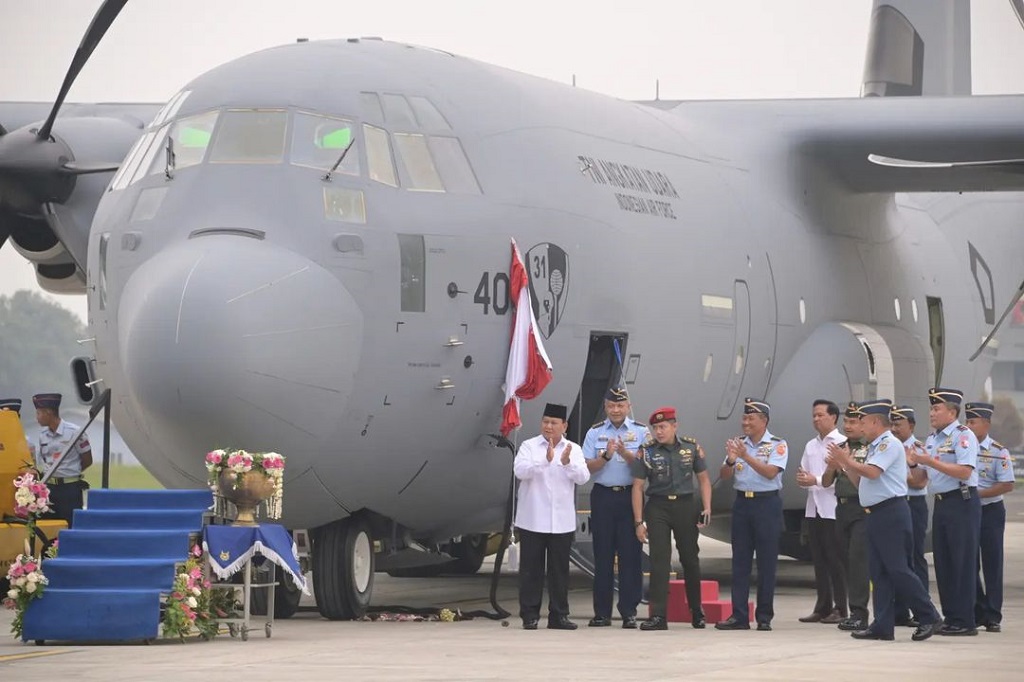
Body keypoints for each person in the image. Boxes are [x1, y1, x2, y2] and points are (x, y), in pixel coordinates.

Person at [826, 399, 939, 642]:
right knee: (879, 573)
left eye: (863, 422)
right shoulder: (875, 446)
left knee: (898, 569)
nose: (861, 426)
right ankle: (883, 624)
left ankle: (929, 615)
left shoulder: (889, 444)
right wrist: (845, 466)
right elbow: (862, 482)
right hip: (875, 514)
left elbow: (873, 472)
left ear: (876, 421)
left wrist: (846, 461)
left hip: (891, 513)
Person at [631, 406, 711, 631]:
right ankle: (658, 616)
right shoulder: (646, 451)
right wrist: (639, 521)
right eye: (655, 427)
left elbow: (703, 479)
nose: (659, 431)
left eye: (663, 427)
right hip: (658, 506)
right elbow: (637, 487)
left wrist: (707, 507)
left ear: (674, 426)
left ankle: (697, 611)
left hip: (686, 505)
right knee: (659, 560)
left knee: (690, 559)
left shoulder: (691, 447)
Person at [910, 387, 981, 636]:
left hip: (962, 502)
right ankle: (951, 617)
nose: (932, 413)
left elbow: (965, 471)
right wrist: (912, 463)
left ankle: (966, 620)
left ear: (952, 411)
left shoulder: (964, 436)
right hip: (941, 503)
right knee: (943, 561)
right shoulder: (932, 439)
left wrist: (930, 461)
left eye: (936, 408)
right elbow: (921, 479)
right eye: (931, 408)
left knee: (962, 561)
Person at [513, 402, 589, 630]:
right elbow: (519, 471)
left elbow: (583, 477)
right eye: (545, 422)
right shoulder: (529, 446)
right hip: (533, 519)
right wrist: (544, 460)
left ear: (564, 426)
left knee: (559, 572)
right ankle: (529, 615)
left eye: (554, 423)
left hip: (561, 522)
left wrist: (566, 464)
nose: (549, 426)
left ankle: (559, 615)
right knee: (531, 570)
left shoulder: (573, 449)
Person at [715, 397, 787, 632]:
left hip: (767, 505)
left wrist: (745, 456)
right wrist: (731, 459)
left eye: (750, 418)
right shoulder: (739, 444)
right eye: (744, 417)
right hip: (742, 504)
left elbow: (770, 473)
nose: (745, 422)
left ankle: (764, 616)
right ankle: (739, 616)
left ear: (764, 420)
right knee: (740, 562)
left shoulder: (777, 445)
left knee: (766, 562)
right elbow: (725, 475)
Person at [582, 387, 647, 629]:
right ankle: (602, 613)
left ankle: (629, 611)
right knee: (603, 555)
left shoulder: (641, 432)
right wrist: (607, 456)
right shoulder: (595, 432)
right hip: (603, 497)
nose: (616, 410)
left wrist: (625, 453)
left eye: (620, 405)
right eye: (611, 406)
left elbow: (645, 466)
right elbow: (588, 466)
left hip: (631, 496)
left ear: (628, 406)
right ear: (606, 407)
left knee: (631, 556)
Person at [795, 399, 847, 624]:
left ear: (833, 417)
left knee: (836, 560)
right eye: (814, 415)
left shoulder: (842, 444)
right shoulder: (810, 445)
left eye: (820, 415)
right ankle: (822, 605)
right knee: (819, 560)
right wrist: (806, 480)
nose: (816, 419)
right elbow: (803, 473)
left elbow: (842, 479)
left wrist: (813, 480)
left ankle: (841, 607)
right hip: (814, 508)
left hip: (833, 509)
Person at [965, 401, 1015, 633]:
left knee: (992, 563)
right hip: (967, 511)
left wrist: (977, 494)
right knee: (970, 562)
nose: (968, 426)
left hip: (990, 511)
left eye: (973, 422)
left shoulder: (998, 451)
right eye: (966, 421)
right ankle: (978, 610)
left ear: (986, 424)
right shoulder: (963, 447)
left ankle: (993, 614)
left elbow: (1006, 484)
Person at [822, 402, 870, 632]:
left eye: (853, 422)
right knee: (845, 562)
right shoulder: (840, 447)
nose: (848, 426)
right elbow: (825, 482)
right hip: (840, 509)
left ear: (864, 424)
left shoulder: (869, 448)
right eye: (846, 421)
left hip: (861, 509)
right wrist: (832, 466)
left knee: (858, 561)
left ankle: (860, 612)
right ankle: (851, 609)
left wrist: (846, 463)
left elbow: (861, 484)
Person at [890, 405, 929, 628]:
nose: (894, 428)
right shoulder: (889, 446)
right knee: (897, 558)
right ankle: (899, 611)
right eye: (892, 424)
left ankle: (921, 610)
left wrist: (892, 473)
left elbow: (919, 481)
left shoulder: (917, 448)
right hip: (895, 505)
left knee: (915, 558)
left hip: (913, 504)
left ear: (911, 426)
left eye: (899, 424)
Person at [32, 392, 92, 527]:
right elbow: (45, 460)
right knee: (48, 527)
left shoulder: (75, 432)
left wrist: (69, 472)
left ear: (48, 412)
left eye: (39, 413)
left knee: (70, 525)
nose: (37, 418)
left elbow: (87, 459)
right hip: (49, 489)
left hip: (69, 489)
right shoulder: (43, 436)